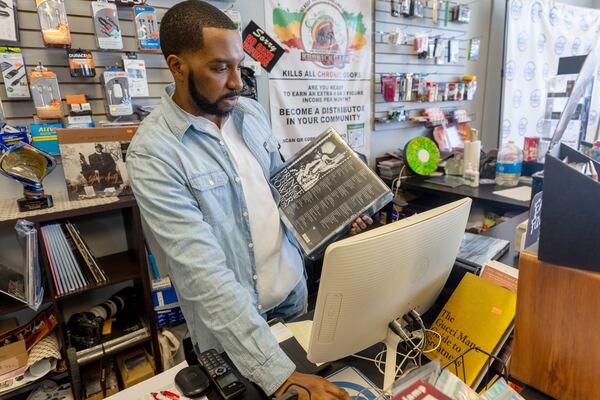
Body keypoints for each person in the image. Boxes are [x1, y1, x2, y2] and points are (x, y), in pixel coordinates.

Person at [125, 1, 372, 398]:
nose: (237, 82)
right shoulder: (154, 154)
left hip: (293, 298)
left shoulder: (251, 114)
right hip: (233, 333)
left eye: (239, 66)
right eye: (220, 68)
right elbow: (200, 273)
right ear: (177, 66)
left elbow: (284, 198)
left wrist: (336, 220)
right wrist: (276, 374)